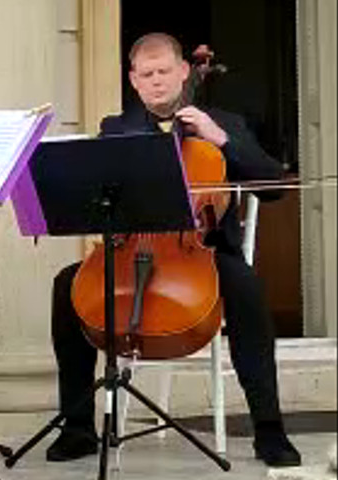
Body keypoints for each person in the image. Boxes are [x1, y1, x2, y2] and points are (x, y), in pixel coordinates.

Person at [45, 32, 301, 468]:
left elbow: (273, 186)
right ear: (134, 80)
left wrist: (219, 139)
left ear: (184, 72)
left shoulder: (225, 123)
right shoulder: (117, 130)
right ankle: (78, 427)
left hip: (204, 255)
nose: (157, 81)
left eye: (165, 71)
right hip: (129, 253)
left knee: (245, 286)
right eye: (147, 74)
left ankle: (270, 430)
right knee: (67, 284)